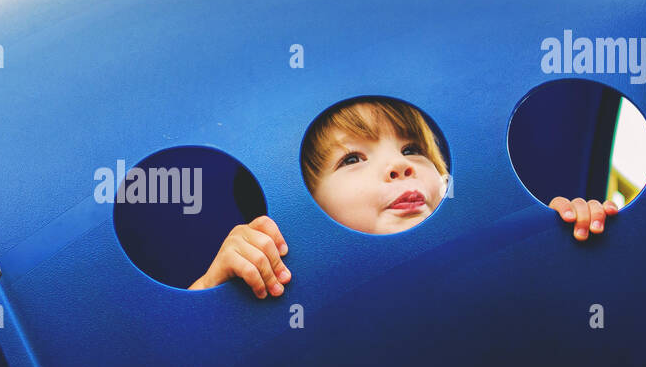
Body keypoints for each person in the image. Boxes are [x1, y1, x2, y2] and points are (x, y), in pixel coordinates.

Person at [188, 96, 619, 298]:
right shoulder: (287, 280)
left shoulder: (482, 253)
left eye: (412, 149)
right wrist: (218, 282)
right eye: (353, 158)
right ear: (300, 203)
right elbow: (179, 366)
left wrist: (575, 234)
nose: (401, 166)